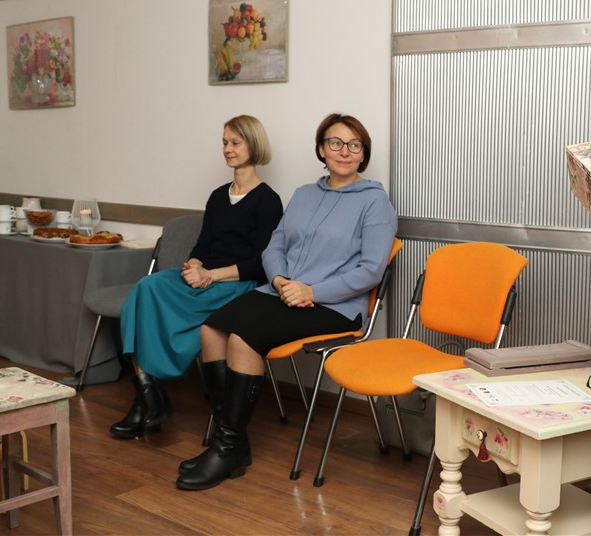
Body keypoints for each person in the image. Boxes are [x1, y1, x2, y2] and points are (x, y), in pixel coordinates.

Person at [175, 112, 397, 491]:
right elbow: (274, 246)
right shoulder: (304, 194)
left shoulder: (375, 202)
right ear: (321, 149)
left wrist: (312, 291)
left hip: (334, 306)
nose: (344, 152)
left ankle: (226, 447)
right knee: (211, 328)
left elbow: (371, 271)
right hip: (282, 292)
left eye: (354, 145)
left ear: (364, 154)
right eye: (335, 143)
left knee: (243, 338)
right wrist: (279, 280)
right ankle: (232, 443)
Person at [110, 114, 283, 440]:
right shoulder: (218, 196)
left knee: (166, 307)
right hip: (204, 276)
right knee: (146, 288)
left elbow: (261, 264)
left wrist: (210, 276)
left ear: (253, 145)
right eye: (224, 142)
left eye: (235, 142)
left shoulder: (269, 201)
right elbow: (202, 245)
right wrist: (192, 266)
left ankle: (146, 404)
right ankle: (148, 397)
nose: (227, 149)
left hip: (236, 283)